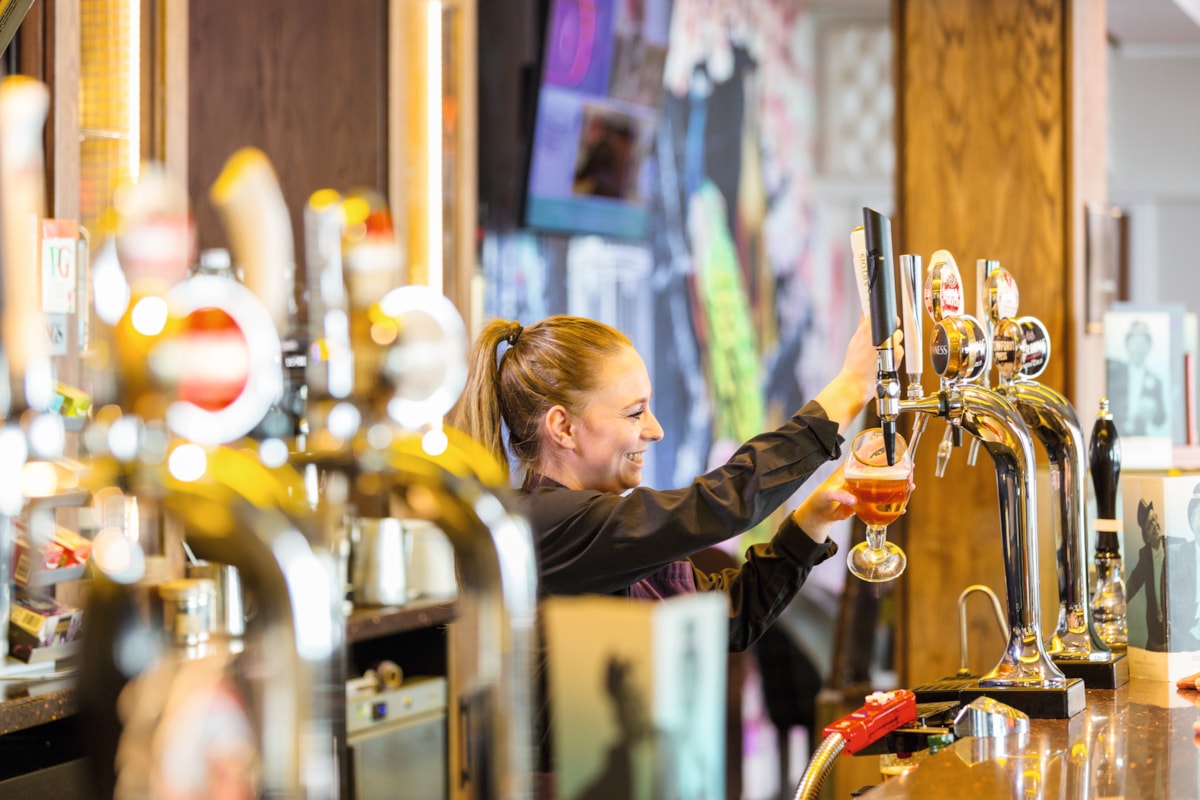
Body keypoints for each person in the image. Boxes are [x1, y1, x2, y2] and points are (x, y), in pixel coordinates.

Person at [449, 312, 890, 795]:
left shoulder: (604, 538)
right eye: (634, 413)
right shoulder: (545, 525)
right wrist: (848, 389)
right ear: (563, 427)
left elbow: (733, 617)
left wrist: (811, 520)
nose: (655, 429)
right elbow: (719, 505)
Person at [1106, 320, 1168, 437]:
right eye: (1135, 343)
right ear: (1127, 344)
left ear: (1149, 347)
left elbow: (1161, 418)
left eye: (1143, 343)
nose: (1139, 348)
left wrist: (1152, 411)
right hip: (1115, 435)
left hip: (1140, 439)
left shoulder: (1156, 381)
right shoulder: (1114, 372)